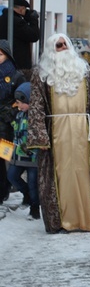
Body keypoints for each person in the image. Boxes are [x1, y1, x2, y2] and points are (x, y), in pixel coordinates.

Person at [26, 33, 90, 233]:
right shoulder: (42, 74)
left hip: (82, 130)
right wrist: (39, 135)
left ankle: (84, 219)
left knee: (83, 173)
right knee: (61, 175)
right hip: (56, 132)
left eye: (65, 44)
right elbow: (37, 106)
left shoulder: (83, 71)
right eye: (58, 45)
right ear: (50, 49)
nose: (63, 47)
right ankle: (63, 220)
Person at [6, 82, 39, 219]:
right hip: (18, 156)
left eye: (20, 103)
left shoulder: (37, 117)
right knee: (12, 176)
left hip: (33, 157)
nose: (18, 106)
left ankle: (35, 209)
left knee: (33, 183)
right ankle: (27, 194)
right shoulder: (19, 115)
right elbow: (16, 130)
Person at [0, 40, 26, 203]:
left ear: (7, 55)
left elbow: (23, 99)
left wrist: (10, 112)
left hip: (7, 127)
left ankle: (4, 190)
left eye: (0, 54)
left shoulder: (16, 76)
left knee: (4, 159)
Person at [0, 0, 40, 75]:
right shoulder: (18, 22)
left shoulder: (2, 19)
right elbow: (34, 36)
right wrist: (33, 20)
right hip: (18, 65)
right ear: (21, 9)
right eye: (25, 9)